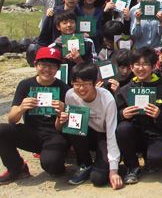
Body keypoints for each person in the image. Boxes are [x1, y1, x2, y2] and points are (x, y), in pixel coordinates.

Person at [0, 47, 69, 184]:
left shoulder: (63, 88)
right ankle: (17, 168)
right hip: (31, 133)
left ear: (58, 69)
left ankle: (59, 158)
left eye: (52, 66)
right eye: (43, 65)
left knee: (52, 166)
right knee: (1, 130)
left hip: (54, 136)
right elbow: (11, 119)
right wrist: (21, 108)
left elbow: (70, 123)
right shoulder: (25, 85)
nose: (47, 70)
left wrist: (63, 111)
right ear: (36, 65)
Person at [58, 63, 123, 189]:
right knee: (71, 122)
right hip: (85, 133)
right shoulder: (70, 95)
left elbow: (111, 133)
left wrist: (113, 171)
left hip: (103, 135)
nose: (81, 89)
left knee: (98, 179)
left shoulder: (107, 99)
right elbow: (68, 128)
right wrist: (61, 119)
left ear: (95, 82)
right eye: (76, 84)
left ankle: (109, 163)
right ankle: (84, 163)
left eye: (85, 84)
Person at [115, 47, 162, 184]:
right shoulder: (125, 90)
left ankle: (149, 156)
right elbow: (112, 117)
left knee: (157, 161)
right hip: (133, 134)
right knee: (122, 128)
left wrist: (159, 115)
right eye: (136, 64)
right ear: (131, 67)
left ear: (152, 66)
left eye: (145, 64)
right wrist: (122, 114)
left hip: (154, 134)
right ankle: (132, 166)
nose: (141, 68)